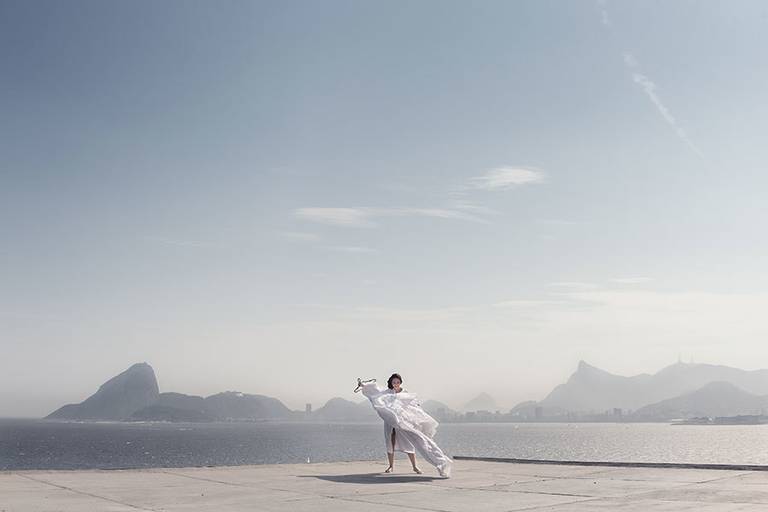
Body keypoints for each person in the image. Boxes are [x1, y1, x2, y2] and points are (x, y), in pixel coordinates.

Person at [355, 374, 452, 477]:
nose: (395, 384)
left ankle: (416, 466)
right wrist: (364, 385)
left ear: (400, 382)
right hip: (390, 421)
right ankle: (391, 466)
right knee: (390, 442)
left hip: (404, 422)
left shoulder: (405, 393)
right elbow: (376, 392)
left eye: (397, 382)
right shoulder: (387, 392)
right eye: (394, 382)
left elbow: (414, 405)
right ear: (391, 383)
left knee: (412, 441)